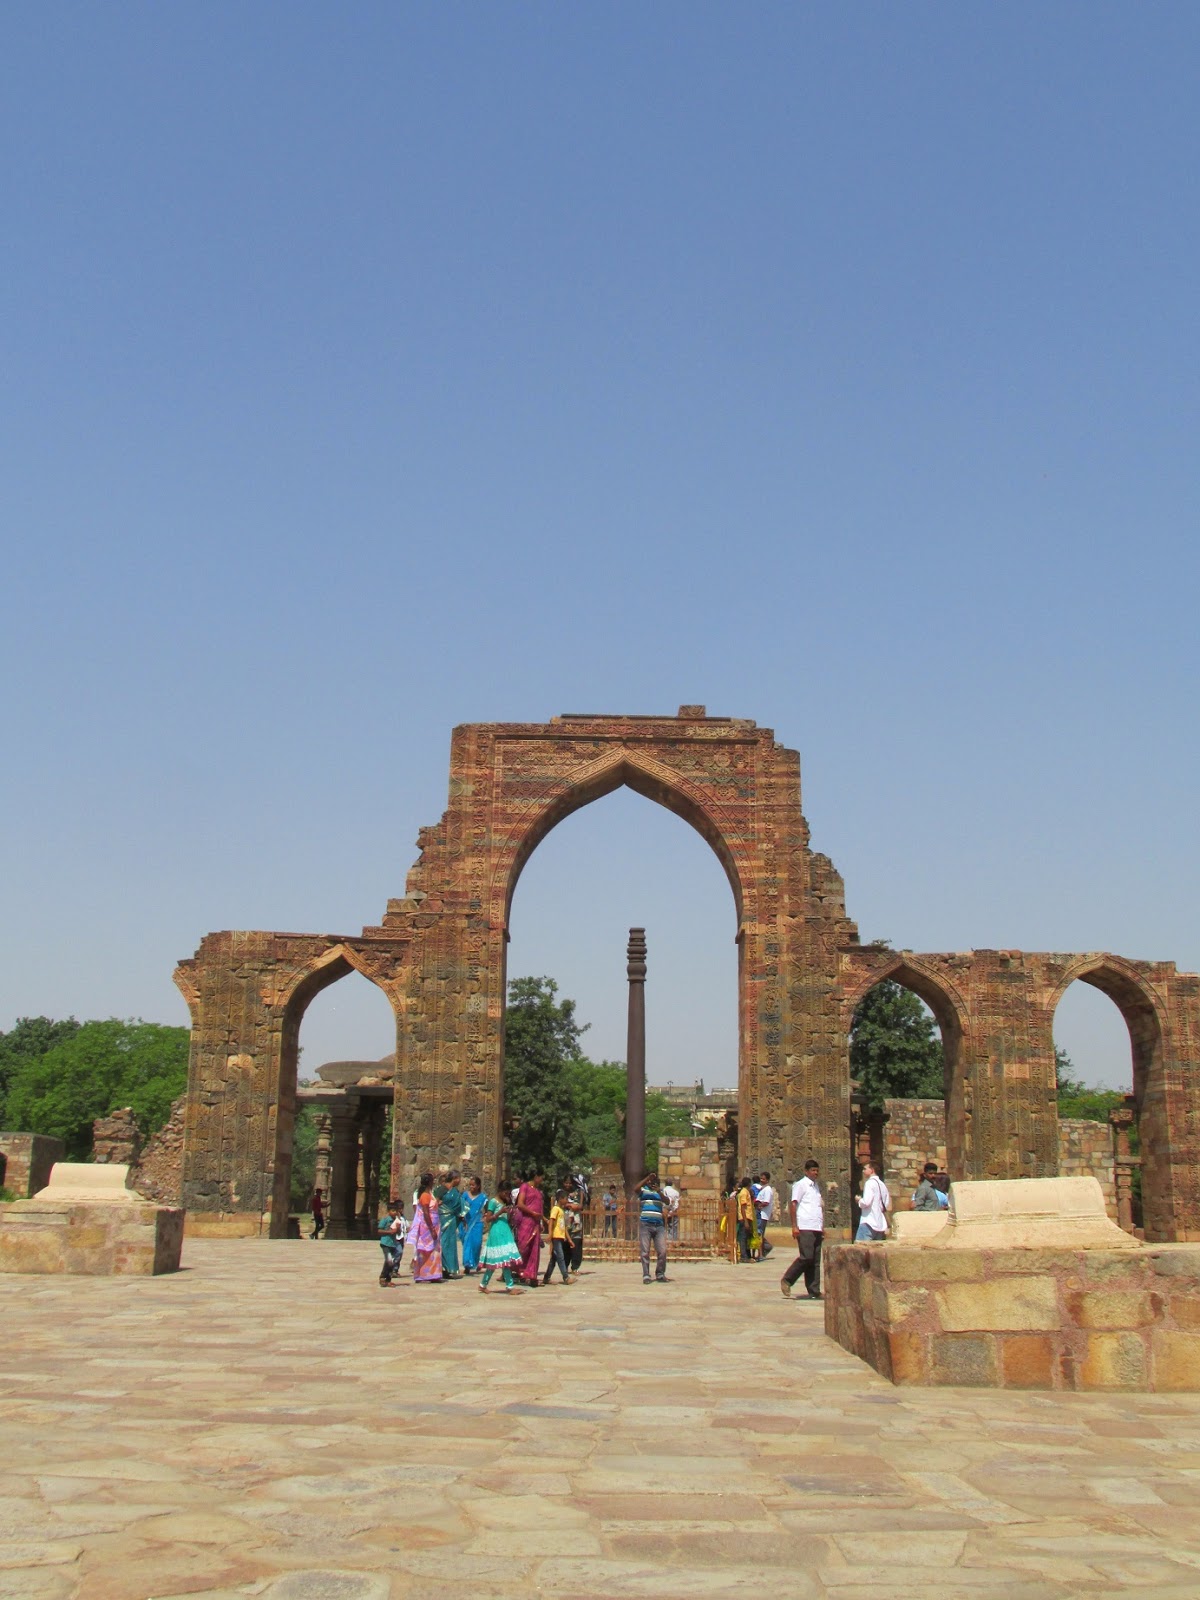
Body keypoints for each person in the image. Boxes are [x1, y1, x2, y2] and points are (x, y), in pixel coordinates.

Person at [781, 1158, 824, 1300]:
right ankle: (788, 1279)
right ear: (806, 1171)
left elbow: (817, 1207)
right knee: (806, 1257)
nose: (815, 1173)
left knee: (815, 1260)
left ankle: (814, 1290)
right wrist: (794, 1226)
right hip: (805, 1225)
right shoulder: (801, 1185)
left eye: (817, 1171)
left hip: (816, 1226)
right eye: (813, 1170)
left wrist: (821, 1226)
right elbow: (793, 1204)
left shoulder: (816, 1187)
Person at [479, 1182, 525, 1294]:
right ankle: (509, 1286)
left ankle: (484, 1284)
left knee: (505, 1259)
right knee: (498, 1260)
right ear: (500, 1191)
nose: (506, 1195)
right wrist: (500, 1212)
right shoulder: (493, 1202)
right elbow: (488, 1218)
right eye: (505, 1193)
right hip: (497, 1232)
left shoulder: (504, 1202)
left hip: (505, 1231)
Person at [637, 1172, 671, 1284]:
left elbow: (667, 1201)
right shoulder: (643, 1190)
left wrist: (659, 1191)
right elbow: (635, 1188)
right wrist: (647, 1178)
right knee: (645, 1251)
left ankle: (660, 1273)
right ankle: (646, 1275)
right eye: (651, 1181)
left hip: (659, 1225)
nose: (652, 1184)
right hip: (645, 1224)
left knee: (662, 1251)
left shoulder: (660, 1192)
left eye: (655, 1182)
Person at [408, 1173, 443, 1283]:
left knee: (434, 1250)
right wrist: (432, 1229)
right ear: (429, 1182)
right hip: (427, 1227)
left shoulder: (430, 1194)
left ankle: (433, 1274)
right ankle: (423, 1275)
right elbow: (426, 1213)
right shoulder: (425, 1195)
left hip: (434, 1225)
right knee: (426, 1250)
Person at [512, 1172, 545, 1286]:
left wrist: (540, 1221)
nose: (541, 1180)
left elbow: (540, 1209)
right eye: (541, 1177)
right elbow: (520, 1204)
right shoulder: (525, 1187)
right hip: (526, 1221)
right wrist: (532, 1213)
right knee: (523, 1247)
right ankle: (517, 1271)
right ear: (536, 1176)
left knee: (534, 1250)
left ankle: (531, 1275)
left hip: (535, 1223)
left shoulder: (538, 1191)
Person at [437, 1169, 466, 1278]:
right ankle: (442, 1267)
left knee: (451, 1243)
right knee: (443, 1243)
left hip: (452, 1220)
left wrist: (462, 1217)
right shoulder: (442, 1189)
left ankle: (450, 1268)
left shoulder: (455, 1191)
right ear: (456, 1179)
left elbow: (459, 1206)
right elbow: (436, 1201)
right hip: (443, 1219)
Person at [542, 1187, 574, 1284]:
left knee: (554, 1259)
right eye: (565, 1198)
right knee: (560, 1256)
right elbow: (551, 1221)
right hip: (556, 1237)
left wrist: (569, 1240)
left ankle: (546, 1277)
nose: (567, 1200)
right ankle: (566, 1277)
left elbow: (564, 1228)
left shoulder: (561, 1210)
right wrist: (550, 1234)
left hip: (560, 1237)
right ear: (560, 1199)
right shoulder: (555, 1209)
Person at [856, 1159, 891, 1241]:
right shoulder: (882, 1185)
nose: (863, 1171)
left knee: (860, 1249)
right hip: (879, 1223)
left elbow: (866, 1202)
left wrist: (859, 1200)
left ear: (871, 1170)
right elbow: (885, 1204)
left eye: (865, 1169)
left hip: (868, 1222)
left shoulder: (869, 1183)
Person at [460, 1176, 487, 1274]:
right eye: (470, 1185)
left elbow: (487, 1210)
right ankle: (467, 1265)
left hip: (477, 1222)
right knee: (467, 1244)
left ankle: (475, 1262)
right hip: (466, 1222)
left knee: (476, 1243)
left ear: (478, 1186)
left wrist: (485, 1219)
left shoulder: (483, 1197)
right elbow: (461, 1208)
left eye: (473, 1185)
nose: (471, 1187)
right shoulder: (465, 1195)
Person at [377, 1199, 407, 1286]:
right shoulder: (385, 1220)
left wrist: (398, 1228)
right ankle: (383, 1277)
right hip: (385, 1243)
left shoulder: (398, 1221)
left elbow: (398, 1233)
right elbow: (379, 1231)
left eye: (396, 1211)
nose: (394, 1213)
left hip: (393, 1243)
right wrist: (389, 1232)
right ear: (388, 1211)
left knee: (391, 1262)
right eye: (392, 1211)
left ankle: (388, 1279)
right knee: (389, 1261)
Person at [563, 1179, 586, 1273]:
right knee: (565, 1246)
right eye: (566, 1182)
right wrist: (569, 1205)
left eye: (570, 1183)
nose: (568, 1184)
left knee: (576, 1244)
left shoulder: (578, 1193)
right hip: (565, 1221)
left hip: (576, 1223)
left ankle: (575, 1267)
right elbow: (559, 1204)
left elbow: (581, 1205)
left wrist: (577, 1205)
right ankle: (564, 1267)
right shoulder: (561, 1193)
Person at [735, 1176, 756, 1262]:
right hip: (745, 1218)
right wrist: (746, 1221)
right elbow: (743, 1208)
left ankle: (747, 1255)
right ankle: (743, 1257)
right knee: (743, 1238)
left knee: (746, 1237)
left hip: (748, 1217)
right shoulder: (744, 1192)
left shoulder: (747, 1192)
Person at [755, 1171, 775, 1258]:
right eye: (761, 1178)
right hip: (760, 1214)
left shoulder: (767, 1190)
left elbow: (766, 1202)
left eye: (763, 1179)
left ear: (767, 1180)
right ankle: (764, 1249)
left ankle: (763, 1252)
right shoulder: (763, 1189)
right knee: (759, 1233)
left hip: (763, 1215)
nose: (761, 1180)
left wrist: (759, 1206)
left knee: (760, 1234)